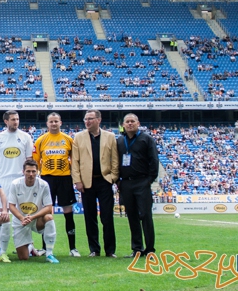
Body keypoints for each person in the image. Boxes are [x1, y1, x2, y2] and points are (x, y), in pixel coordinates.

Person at [71, 109, 119, 258]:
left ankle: (110, 250)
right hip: (86, 183)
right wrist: (77, 181)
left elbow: (115, 160)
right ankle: (94, 249)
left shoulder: (110, 137)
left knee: (107, 217)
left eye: (90, 119)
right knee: (90, 218)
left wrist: (112, 178)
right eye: (86, 119)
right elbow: (75, 161)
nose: (87, 122)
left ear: (99, 119)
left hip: (104, 181)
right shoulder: (78, 137)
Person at [32, 112, 80, 257]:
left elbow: (75, 160)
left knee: (68, 213)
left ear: (61, 123)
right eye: (51, 121)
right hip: (47, 179)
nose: (53, 124)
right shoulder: (40, 140)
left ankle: (73, 248)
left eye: (56, 121)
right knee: (46, 213)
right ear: (47, 124)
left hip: (65, 178)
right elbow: (36, 162)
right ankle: (45, 247)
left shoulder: (68, 139)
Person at [117, 113, 159, 258]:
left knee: (146, 216)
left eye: (132, 121)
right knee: (132, 217)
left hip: (142, 182)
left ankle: (150, 249)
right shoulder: (120, 141)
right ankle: (137, 249)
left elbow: (154, 160)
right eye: (127, 122)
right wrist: (118, 181)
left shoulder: (146, 139)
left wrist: (149, 180)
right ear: (123, 125)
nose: (130, 124)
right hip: (126, 182)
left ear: (138, 123)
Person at [0, 110, 33, 256]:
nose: (16, 122)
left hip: (20, 179)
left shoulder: (26, 137)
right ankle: (1, 247)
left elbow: (29, 160)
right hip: (3, 179)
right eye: (12, 119)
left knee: (23, 212)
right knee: (3, 214)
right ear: (6, 121)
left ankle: (26, 245)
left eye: (17, 119)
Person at [8, 159, 59, 263]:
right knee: (23, 257)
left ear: (37, 172)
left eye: (33, 171)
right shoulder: (15, 184)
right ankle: (30, 247)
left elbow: (49, 207)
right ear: (23, 172)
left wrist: (32, 217)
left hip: (36, 219)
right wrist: (22, 218)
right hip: (20, 221)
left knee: (49, 217)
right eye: (28, 171)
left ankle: (49, 253)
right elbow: (11, 206)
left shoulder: (43, 185)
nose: (31, 174)